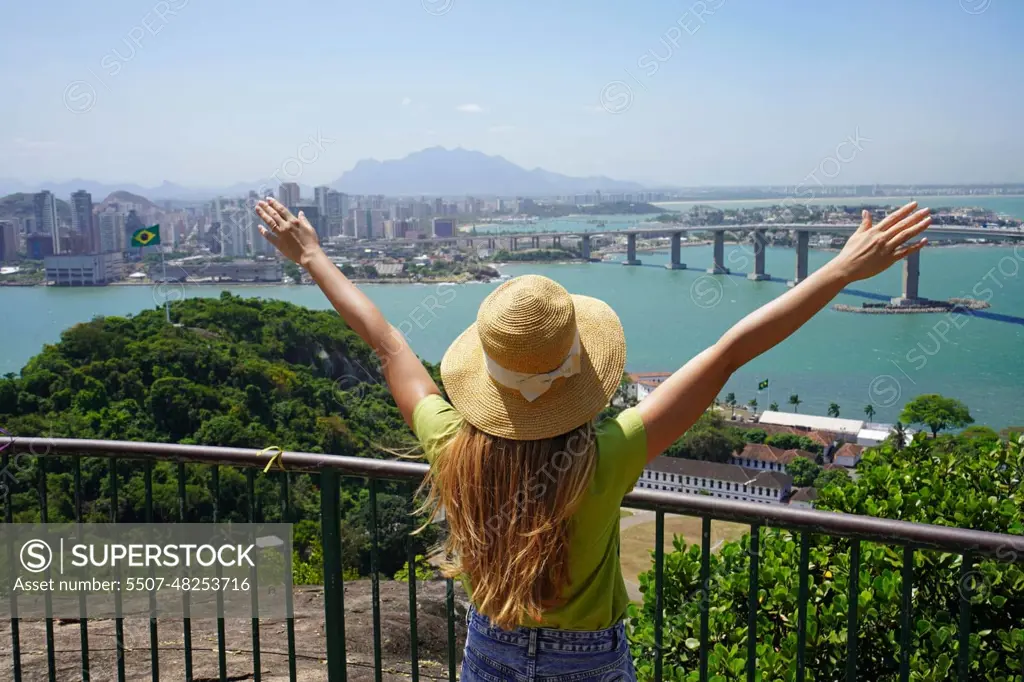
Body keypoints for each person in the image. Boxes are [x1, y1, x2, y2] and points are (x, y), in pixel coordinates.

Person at [254, 198, 931, 681]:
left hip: (488, 648)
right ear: (578, 367)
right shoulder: (606, 455)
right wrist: (839, 270)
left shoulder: (450, 443)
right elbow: (729, 353)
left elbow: (385, 343)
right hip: (591, 660)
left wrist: (311, 253)